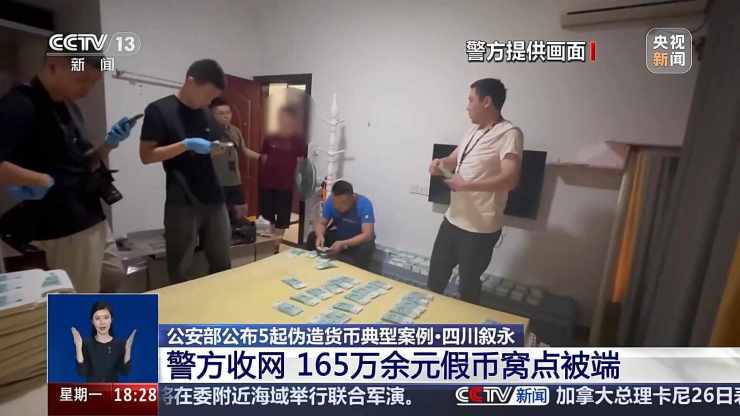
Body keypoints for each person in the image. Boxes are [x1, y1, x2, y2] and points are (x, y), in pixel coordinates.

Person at [0, 52, 132, 293]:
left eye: (93, 82)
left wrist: (109, 143)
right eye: (82, 80)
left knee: (113, 278)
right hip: (61, 224)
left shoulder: (70, 107)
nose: (87, 90)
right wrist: (37, 179)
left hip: (92, 216)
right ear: (54, 66)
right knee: (80, 299)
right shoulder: (19, 105)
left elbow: (85, 161)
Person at [427, 78, 523, 304]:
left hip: (480, 229)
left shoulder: (509, 133)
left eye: (471, 100)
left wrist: (467, 185)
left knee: (468, 287)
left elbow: (510, 179)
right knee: (435, 279)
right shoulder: (472, 130)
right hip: (453, 219)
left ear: (486, 101)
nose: (467, 106)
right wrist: (440, 163)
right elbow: (454, 159)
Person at [139, 59, 231, 283]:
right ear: (191, 81)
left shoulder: (205, 113)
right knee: (180, 269)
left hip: (214, 197)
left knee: (222, 263)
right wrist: (185, 145)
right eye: (207, 95)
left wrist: (217, 149)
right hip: (181, 199)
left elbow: (213, 146)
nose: (209, 102)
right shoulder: (159, 110)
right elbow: (146, 155)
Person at [259, 105, 307, 252]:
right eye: (281, 117)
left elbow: (300, 162)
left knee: (283, 218)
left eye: (287, 118)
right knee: (267, 216)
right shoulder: (270, 137)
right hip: (267, 183)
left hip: (285, 185)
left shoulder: (298, 140)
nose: (284, 120)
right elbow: (264, 157)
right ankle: (267, 245)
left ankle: (276, 246)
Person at [209, 97, 261, 224]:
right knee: (218, 215)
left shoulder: (235, 130)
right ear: (212, 115)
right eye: (221, 113)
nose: (226, 116)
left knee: (241, 210)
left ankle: (237, 233)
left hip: (234, 179)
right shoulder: (207, 131)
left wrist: (262, 157)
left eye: (228, 112)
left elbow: (244, 150)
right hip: (215, 181)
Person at [307, 180, 376, 270]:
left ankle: (357, 273)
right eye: (336, 203)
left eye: (343, 203)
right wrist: (320, 236)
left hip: (358, 241)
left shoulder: (364, 205)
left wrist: (344, 244)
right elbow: (322, 223)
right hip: (340, 236)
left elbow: (368, 234)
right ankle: (310, 267)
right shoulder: (330, 201)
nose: (339, 207)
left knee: (365, 249)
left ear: (352, 197)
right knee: (312, 236)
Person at [71, 300, 136, 382]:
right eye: (97, 318)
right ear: (92, 321)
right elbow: (82, 372)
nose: (102, 322)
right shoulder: (86, 343)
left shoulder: (120, 344)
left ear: (111, 319)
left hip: (112, 389)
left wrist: (128, 349)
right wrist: (78, 347)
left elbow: (125, 372)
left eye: (106, 317)